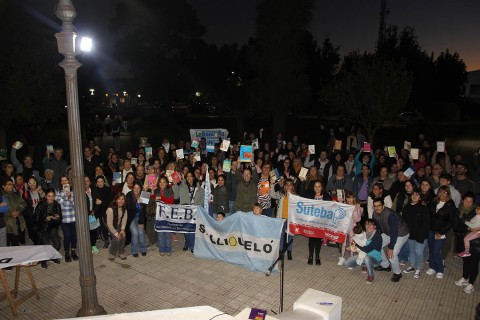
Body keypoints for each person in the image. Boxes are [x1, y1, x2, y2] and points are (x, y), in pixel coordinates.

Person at [372, 198, 410, 282]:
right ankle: (385, 265)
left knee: (391, 254)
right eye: (375, 206)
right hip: (388, 232)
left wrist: (391, 248)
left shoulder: (390, 215)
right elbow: (377, 228)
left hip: (401, 233)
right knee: (376, 245)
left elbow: (394, 232)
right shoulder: (375, 213)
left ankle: (397, 273)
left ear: (383, 206)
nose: (376, 208)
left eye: (379, 206)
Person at [426, 185, 456, 279]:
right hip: (430, 229)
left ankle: (439, 269)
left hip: (441, 231)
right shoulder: (434, 202)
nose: (442, 194)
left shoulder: (450, 204)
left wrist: (441, 232)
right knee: (431, 249)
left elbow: (451, 221)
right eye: (440, 192)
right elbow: (428, 214)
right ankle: (432, 267)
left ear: (448, 194)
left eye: (444, 192)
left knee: (436, 251)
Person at [172, 171, 204, 253]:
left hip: (194, 211)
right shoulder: (182, 186)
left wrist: (198, 206)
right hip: (184, 210)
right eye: (187, 176)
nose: (189, 178)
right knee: (185, 229)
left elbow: (201, 199)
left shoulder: (199, 187)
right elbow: (175, 196)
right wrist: (175, 185)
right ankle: (187, 244)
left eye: (191, 176)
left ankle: (192, 246)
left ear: (193, 177)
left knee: (192, 229)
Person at [402, 189, 431, 278]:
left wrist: (422, 236)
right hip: (410, 234)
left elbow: (426, 224)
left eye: (417, 195)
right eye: (413, 194)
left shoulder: (424, 208)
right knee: (411, 251)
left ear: (420, 198)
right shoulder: (406, 207)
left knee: (418, 252)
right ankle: (411, 266)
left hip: (421, 234)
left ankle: (418, 268)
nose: (415, 196)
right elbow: (404, 221)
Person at [343, 219, 383, 284]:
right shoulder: (364, 233)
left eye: (371, 224)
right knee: (347, 264)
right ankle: (364, 264)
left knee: (367, 258)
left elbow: (366, 250)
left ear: (375, 226)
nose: (368, 226)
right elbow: (357, 240)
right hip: (363, 255)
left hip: (375, 259)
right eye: (367, 224)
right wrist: (353, 245)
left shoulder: (377, 237)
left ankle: (370, 275)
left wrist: (357, 245)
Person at [34, 189, 62, 268]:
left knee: (57, 244)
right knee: (47, 245)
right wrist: (45, 219)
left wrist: (57, 218)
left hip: (52, 227)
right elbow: (35, 219)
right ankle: (43, 260)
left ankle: (53, 257)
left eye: (52, 196)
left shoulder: (56, 205)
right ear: (46, 196)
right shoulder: (41, 204)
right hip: (41, 228)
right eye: (49, 196)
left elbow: (60, 220)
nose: (51, 198)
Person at [455, 209, 480, 294]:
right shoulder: (474, 214)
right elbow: (470, 226)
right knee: (466, 261)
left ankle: (471, 284)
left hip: (478, 246)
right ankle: (464, 278)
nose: (477, 210)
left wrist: (476, 229)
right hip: (469, 242)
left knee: (474, 263)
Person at [306, 181, 331, 266]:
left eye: (319, 186)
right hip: (311, 221)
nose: (317, 188)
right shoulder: (309, 196)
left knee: (318, 240)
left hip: (321, 222)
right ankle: (310, 256)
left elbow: (332, 207)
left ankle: (317, 256)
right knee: (311, 239)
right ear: (313, 188)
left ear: (322, 187)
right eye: (315, 186)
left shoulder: (327, 197)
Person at [271, 178, 296, 260]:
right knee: (281, 235)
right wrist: (272, 184)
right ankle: (280, 252)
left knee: (290, 236)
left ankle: (289, 251)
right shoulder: (281, 194)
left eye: (290, 184)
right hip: (282, 218)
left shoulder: (296, 196)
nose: (288, 186)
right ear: (285, 186)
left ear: (292, 186)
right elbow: (272, 194)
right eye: (287, 184)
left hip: (291, 219)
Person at [56, 175, 78, 262]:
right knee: (67, 235)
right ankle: (66, 252)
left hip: (73, 217)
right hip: (64, 218)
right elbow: (60, 204)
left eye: (66, 180)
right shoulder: (58, 192)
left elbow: (75, 205)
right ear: (60, 183)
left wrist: (69, 198)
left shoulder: (73, 191)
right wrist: (67, 197)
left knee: (74, 236)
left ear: (69, 181)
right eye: (62, 181)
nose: (64, 182)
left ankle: (73, 251)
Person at [126, 182, 147, 257]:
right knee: (135, 233)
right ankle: (134, 250)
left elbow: (145, 210)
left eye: (138, 188)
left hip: (140, 217)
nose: (136, 189)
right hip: (131, 217)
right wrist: (136, 203)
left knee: (141, 232)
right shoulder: (129, 195)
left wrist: (141, 221)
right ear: (132, 188)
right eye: (135, 188)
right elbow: (129, 208)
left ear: (140, 189)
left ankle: (143, 249)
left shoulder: (144, 194)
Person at [155, 176, 175, 256]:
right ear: (158, 183)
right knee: (160, 234)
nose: (162, 184)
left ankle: (168, 249)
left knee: (167, 233)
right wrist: (152, 193)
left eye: (164, 182)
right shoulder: (156, 190)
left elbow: (171, 201)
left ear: (167, 183)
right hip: (158, 215)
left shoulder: (170, 190)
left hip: (168, 215)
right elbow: (152, 199)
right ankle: (161, 249)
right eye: (160, 182)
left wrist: (161, 198)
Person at [106, 193, 128, 260]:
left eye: (122, 199)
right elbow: (109, 224)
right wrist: (116, 234)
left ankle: (121, 252)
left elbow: (124, 218)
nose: (121, 201)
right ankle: (112, 253)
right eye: (119, 199)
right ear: (116, 200)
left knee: (123, 235)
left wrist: (122, 229)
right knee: (116, 238)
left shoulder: (124, 208)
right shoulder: (110, 209)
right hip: (109, 224)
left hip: (118, 223)